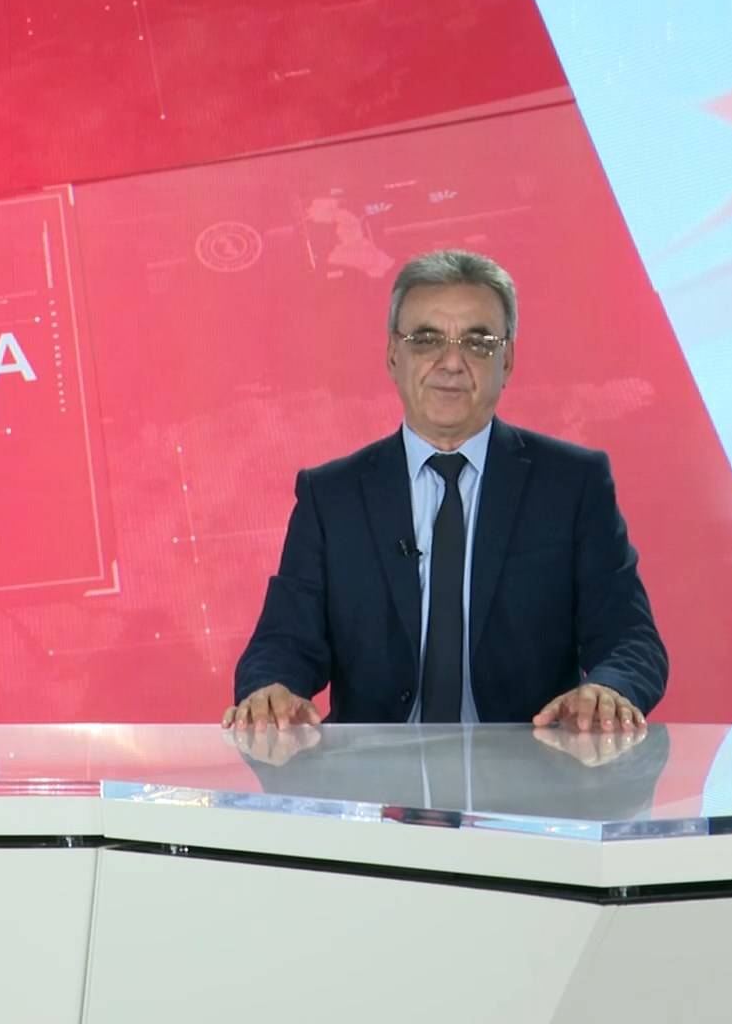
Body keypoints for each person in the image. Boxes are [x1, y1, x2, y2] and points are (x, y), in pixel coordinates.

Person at [223, 250, 667, 732]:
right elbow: (282, 643)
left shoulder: (573, 484)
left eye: (478, 343)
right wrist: (272, 690)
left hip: (528, 766)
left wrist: (610, 689)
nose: (452, 363)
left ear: (507, 360)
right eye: (426, 340)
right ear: (393, 355)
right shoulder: (331, 497)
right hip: (375, 772)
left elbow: (631, 639)